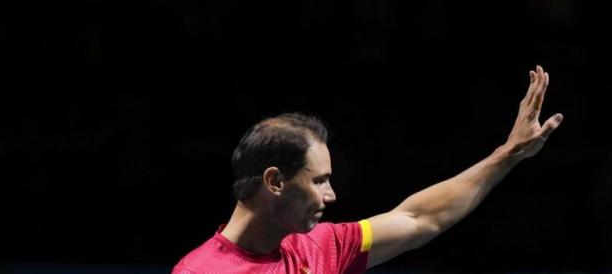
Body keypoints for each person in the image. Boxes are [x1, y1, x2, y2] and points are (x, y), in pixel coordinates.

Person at [172, 65, 563, 273]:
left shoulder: (320, 248)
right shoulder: (200, 272)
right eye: (319, 180)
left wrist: (507, 154)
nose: (331, 195)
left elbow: (417, 218)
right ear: (275, 181)